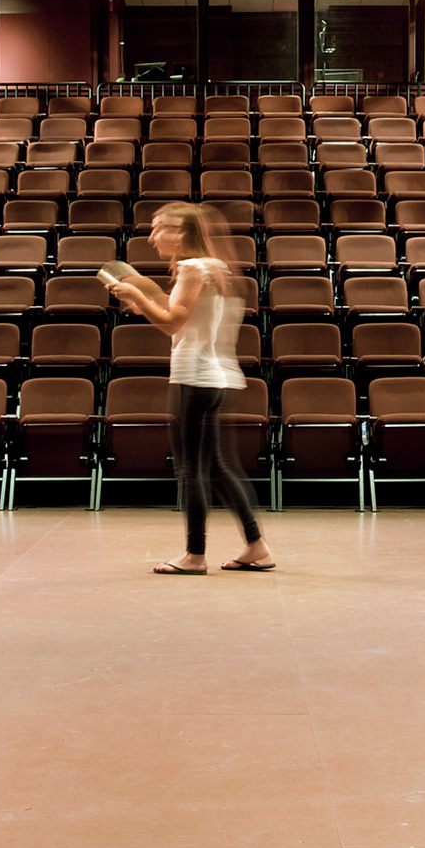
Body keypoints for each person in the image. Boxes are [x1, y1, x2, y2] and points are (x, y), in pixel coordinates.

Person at [103, 202, 275, 576]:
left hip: (192, 378)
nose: (152, 236)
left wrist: (136, 298)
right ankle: (256, 546)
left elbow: (170, 322)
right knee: (217, 466)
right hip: (217, 378)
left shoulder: (192, 268)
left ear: (183, 233)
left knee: (190, 470)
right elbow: (181, 312)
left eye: (160, 227)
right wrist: (145, 292)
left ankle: (195, 556)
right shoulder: (214, 268)